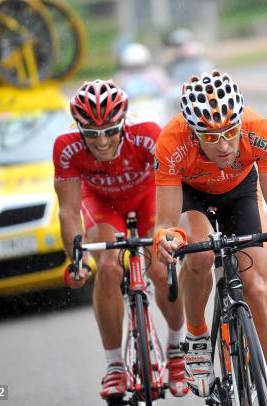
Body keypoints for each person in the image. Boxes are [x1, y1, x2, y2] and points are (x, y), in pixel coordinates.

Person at [152, 70, 267, 405]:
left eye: (230, 131)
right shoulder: (171, 141)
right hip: (192, 195)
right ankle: (196, 334)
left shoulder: (260, 130)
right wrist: (166, 239)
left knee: (256, 289)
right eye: (210, 138)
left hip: (240, 192)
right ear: (194, 134)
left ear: (240, 121)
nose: (224, 146)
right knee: (201, 256)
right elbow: (166, 222)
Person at [53, 79, 189, 401]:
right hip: (103, 206)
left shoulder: (147, 135)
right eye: (92, 134)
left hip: (146, 201)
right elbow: (68, 211)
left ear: (123, 123)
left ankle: (176, 348)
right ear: (79, 129)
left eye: (110, 131)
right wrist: (76, 260)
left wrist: (171, 232)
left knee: (159, 269)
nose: (101, 141)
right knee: (110, 268)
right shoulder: (66, 146)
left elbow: (171, 187)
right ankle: (114, 366)